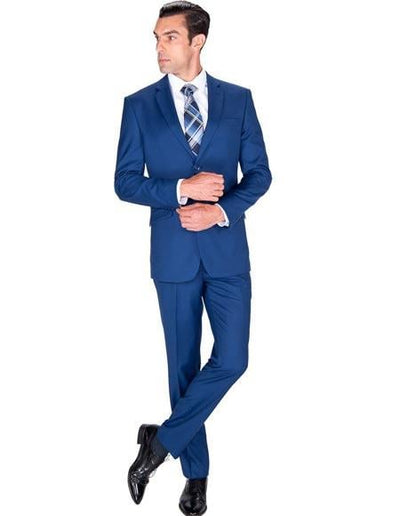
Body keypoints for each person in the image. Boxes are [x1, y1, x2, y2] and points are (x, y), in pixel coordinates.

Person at [114, 2, 272, 514]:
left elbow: (261, 174)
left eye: (170, 37)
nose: (159, 47)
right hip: (173, 255)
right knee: (182, 366)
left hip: (227, 254)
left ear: (197, 41)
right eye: (157, 38)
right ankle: (196, 476)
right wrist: (182, 188)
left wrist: (220, 211)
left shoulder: (238, 100)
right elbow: (125, 182)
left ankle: (159, 443)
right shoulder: (139, 105)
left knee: (233, 359)